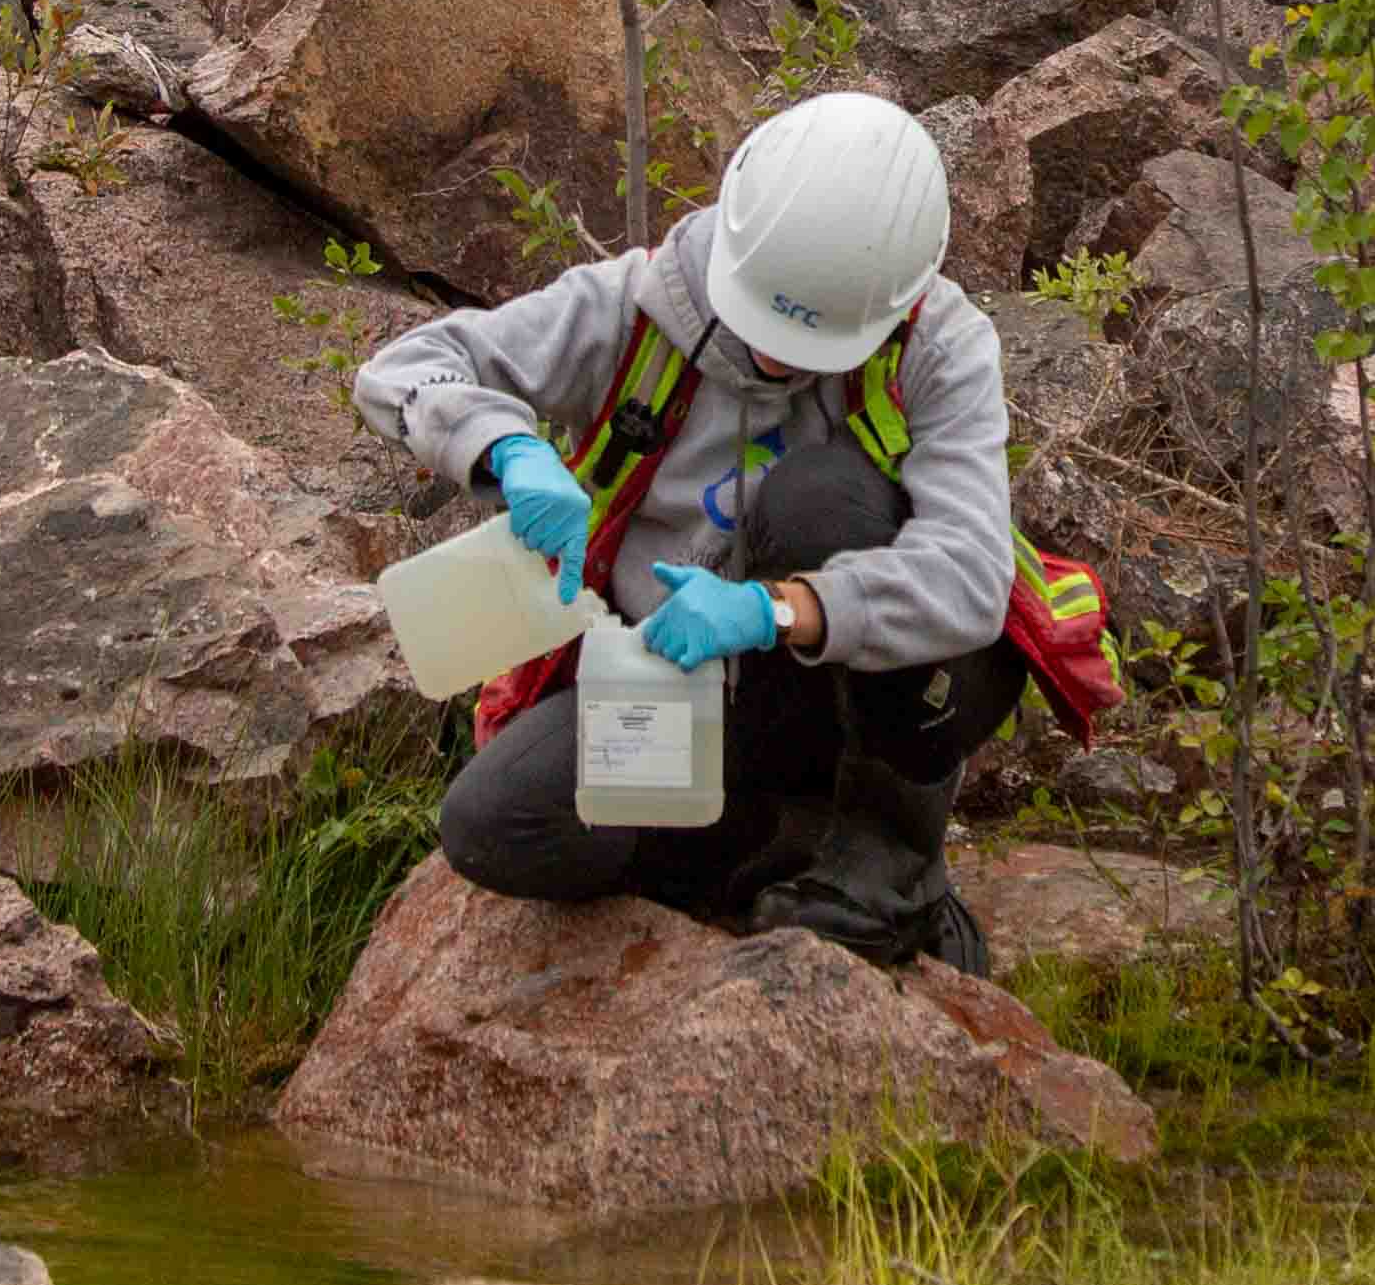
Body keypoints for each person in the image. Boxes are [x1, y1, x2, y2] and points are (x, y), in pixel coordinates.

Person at [354, 89, 1113, 966]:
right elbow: (404, 370)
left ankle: (888, 872)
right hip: (676, 689)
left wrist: (774, 611)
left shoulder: (939, 344)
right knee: (494, 825)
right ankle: (768, 854)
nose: (774, 358)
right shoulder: (640, 302)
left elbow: (973, 580)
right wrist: (506, 451)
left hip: (847, 682)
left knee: (819, 498)